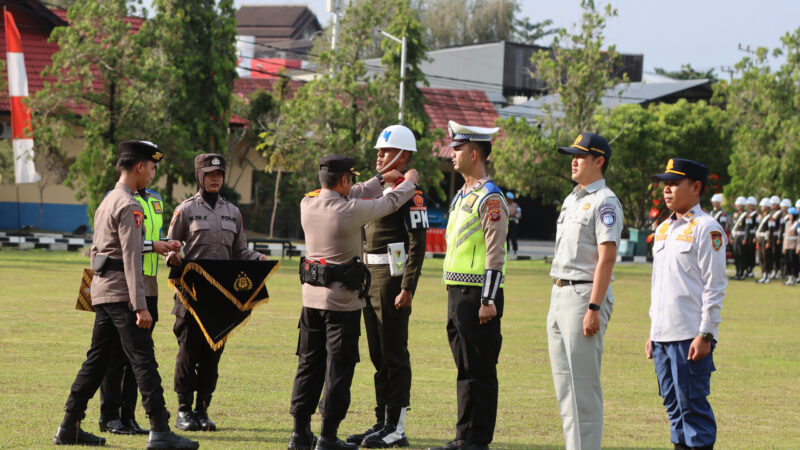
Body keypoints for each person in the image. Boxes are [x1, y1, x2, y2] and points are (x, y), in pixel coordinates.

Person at [53, 140, 198, 449]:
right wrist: (139, 305)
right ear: (140, 167)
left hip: (104, 290)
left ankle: (69, 425)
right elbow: (131, 258)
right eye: (152, 168)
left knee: (96, 361)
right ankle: (160, 429)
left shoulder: (107, 201)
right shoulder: (130, 205)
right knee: (143, 360)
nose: (153, 174)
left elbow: (97, 252)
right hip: (122, 293)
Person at [289, 156, 419, 450]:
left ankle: (300, 434)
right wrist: (409, 182)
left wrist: (381, 179)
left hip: (310, 303)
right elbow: (389, 203)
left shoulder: (307, 204)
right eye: (350, 179)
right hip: (342, 304)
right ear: (344, 180)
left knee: (308, 366)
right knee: (339, 369)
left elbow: (354, 192)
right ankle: (328, 436)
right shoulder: (349, 211)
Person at [165, 153, 268, 432]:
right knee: (188, 353)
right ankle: (184, 411)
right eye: (210, 174)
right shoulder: (186, 210)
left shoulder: (232, 212)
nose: (215, 179)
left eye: (219, 174)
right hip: (191, 295)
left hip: (222, 298)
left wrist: (256, 258)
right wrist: (172, 257)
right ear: (199, 176)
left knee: (213, 356)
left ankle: (202, 410)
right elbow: (171, 245)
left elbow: (240, 251)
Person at [347, 125, 427, 448]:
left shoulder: (412, 193)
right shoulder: (377, 189)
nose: (379, 155)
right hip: (369, 277)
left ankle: (397, 427)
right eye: (378, 151)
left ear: (403, 155)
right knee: (377, 354)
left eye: (385, 151)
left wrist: (408, 287)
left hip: (392, 280)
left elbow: (417, 244)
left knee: (394, 352)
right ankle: (381, 421)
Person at [429, 121, 506, 450]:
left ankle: (477, 440)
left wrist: (488, 299)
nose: (452, 153)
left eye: (458, 148)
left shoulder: (490, 198)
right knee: (465, 368)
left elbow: (495, 253)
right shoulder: (463, 196)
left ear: (474, 153)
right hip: (457, 294)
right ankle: (463, 437)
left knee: (480, 369)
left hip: (478, 296)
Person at [548, 132, 622, 450]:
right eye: (572, 155)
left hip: (584, 297)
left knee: (583, 388)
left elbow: (607, 257)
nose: (573, 161)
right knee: (565, 388)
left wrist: (594, 307)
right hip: (559, 292)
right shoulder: (572, 199)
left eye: (580, 155)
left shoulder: (605, 201)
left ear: (599, 161)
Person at [647, 158, 727, 450]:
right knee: (674, 410)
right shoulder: (663, 229)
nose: (666, 189)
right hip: (663, 336)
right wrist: (653, 332)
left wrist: (706, 333)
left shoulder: (707, 228)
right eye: (665, 184)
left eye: (674, 183)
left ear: (695, 187)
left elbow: (715, 286)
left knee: (693, 409)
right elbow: (659, 286)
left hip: (689, 336)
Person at [98, 187, 172, 436]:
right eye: (149, 168)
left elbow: (152, 236)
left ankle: (128, 417)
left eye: (154, 168)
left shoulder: (156, 198)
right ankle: (110, 416)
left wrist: (168, 249)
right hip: (125, 283)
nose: (152, 172)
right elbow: (120, 243)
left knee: (139, 356)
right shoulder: (118, 198)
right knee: (115, 354)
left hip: (149, 282)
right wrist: (154, 246)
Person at [755, 197, 772, 283]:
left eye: (763, 206)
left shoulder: (770, 217)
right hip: (760, 238)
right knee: (760, 257)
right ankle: (763, 274)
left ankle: (767, 275)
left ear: (767, 207)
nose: (761, 207)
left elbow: (770, 230)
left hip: (765, 239)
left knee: (766, 257)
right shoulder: (761, 217)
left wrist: (768, 241)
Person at [730, 196, 748, 280]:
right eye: (737, 205)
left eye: (739, 205)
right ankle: (737, 273)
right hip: (735, 237)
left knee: (741, 255)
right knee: (736, 255)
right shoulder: (735, 214)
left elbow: (747, 228)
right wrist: (731, 237)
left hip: (741, 237)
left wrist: (745, 238)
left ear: (743, 205)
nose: (738, 206)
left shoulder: (746, 215)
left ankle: (742, 272)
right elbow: (732, 226)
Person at [783, 207, 798, 285]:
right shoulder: (787, 223)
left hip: (794, 246)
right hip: (787, 246)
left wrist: (798, 247)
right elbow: (786, 236)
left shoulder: (797, 223)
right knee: (788, 262)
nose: (789, 216)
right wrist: (784, 247)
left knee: (793, 263)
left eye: (790, 215)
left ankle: (794, 277)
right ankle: (790, 277)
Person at [745, 196, 759, 277]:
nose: (749, 206)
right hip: (747, 235)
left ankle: (751, 269)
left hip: (752, 235)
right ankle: (747, 268)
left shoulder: (756, 215)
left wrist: (755, 237)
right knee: (746, 252)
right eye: (748, 204)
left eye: (751, 205)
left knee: (751, 253)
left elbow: (757, 226)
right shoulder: (747, 214)